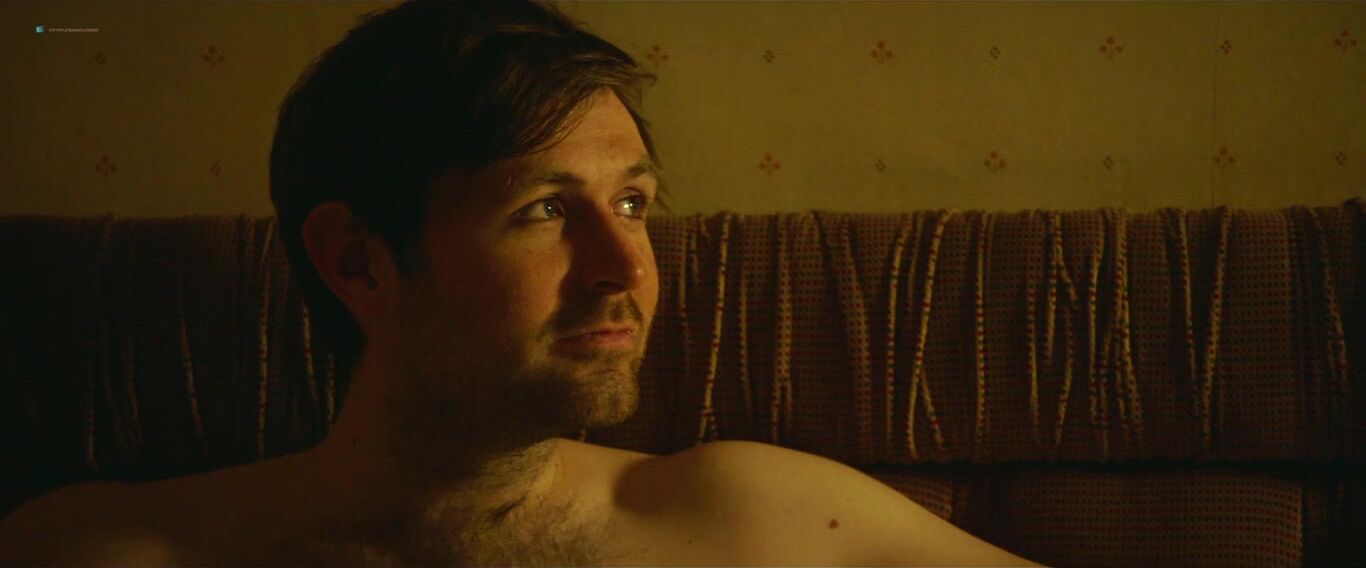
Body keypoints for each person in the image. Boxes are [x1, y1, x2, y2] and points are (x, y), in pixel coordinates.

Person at [0, 1, 1038, 566]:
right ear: (359, 261)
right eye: (544, 209)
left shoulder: (757, 520)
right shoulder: (108, 548)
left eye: (632, 203)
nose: (628, 268)